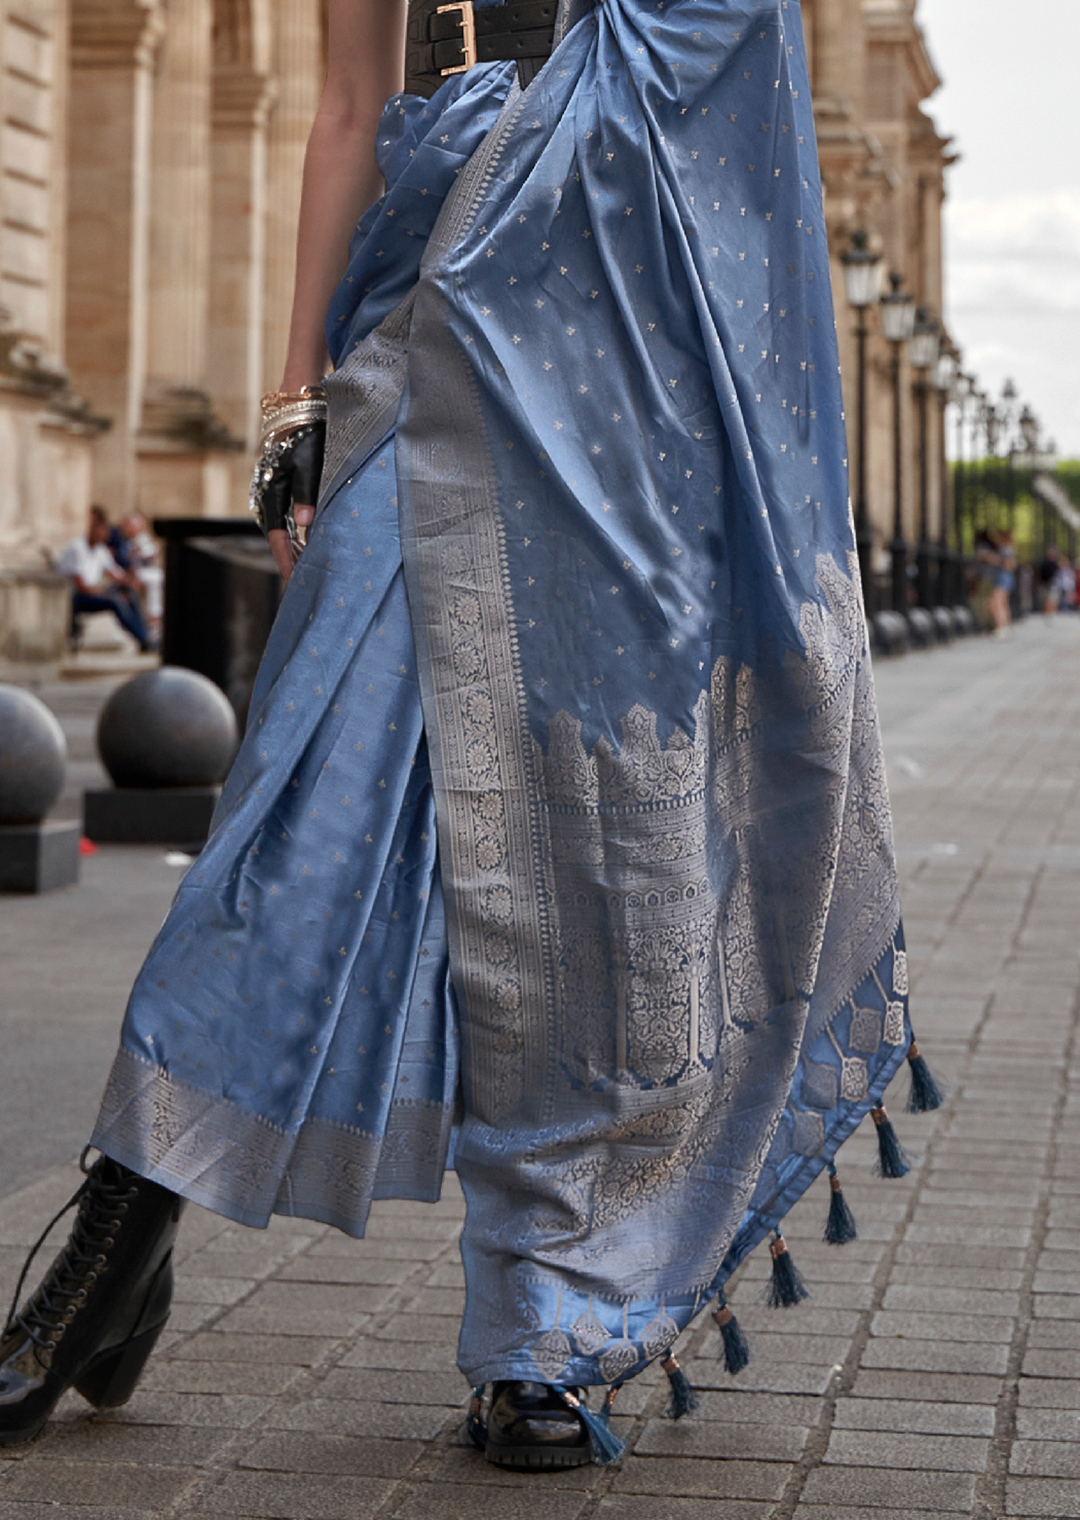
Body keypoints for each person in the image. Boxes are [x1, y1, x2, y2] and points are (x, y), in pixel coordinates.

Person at [1, 0, 933, 1468]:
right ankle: (119, 1222)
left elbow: (744, 166)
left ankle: (546, 1325)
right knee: (291, 812)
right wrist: (297, 402)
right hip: (424, 360)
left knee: (603, 866)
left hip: (630, 416)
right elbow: (349, 110)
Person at [55, 506, 152, 653]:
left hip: (93, 591)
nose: (104, 535)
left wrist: (130, 582)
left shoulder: (100, 550)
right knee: (115, 601)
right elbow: (80, 585)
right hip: (77, 596)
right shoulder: (77, 549)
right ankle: (142, 638)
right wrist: (105, 592)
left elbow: (114, 573)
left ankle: (145, 637)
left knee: (129, 594)